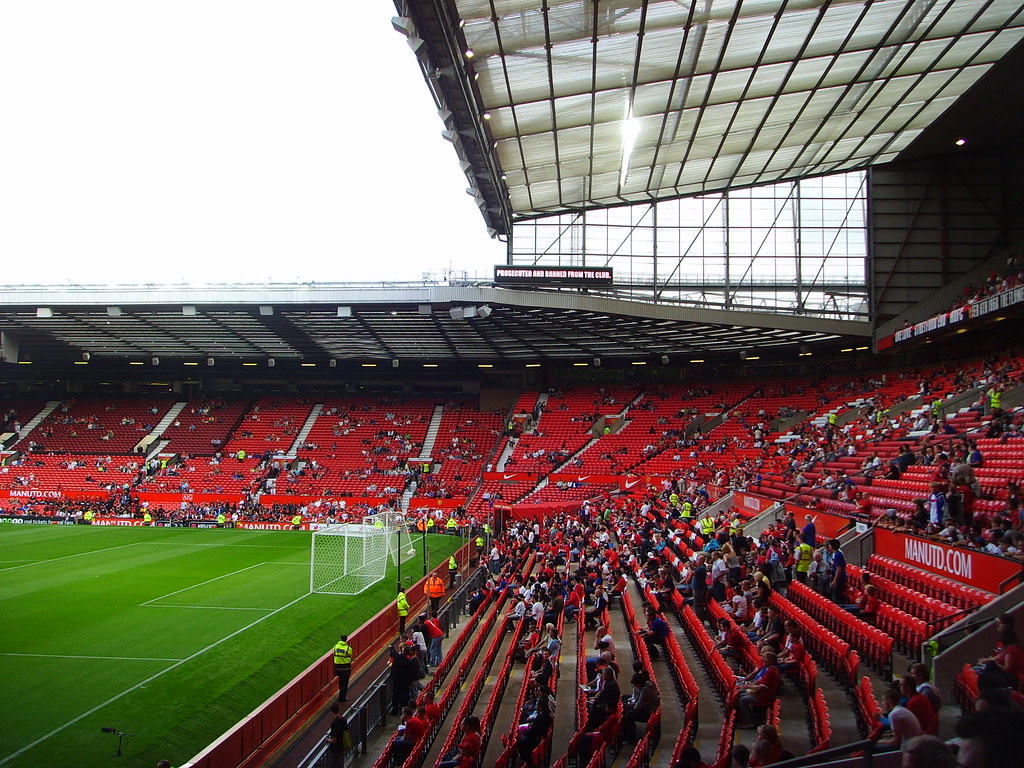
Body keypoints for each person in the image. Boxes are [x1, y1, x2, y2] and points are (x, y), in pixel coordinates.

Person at [736, 649, 781, 728]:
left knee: (742, 700)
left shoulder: (771, 671)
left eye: (765, 661)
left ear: (771, 661)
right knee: (740, 693)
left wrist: (749, 686)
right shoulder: (768, 669)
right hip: (760, 693)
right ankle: (742, 717)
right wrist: (752, 684)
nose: (763, 663)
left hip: (764, 696)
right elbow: (760, 681)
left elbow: (763, 688)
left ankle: (749, 722)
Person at [325, 702, 349, 768]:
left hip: (336, 749)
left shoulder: (334, 723)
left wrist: (327, 739)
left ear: (332, 711)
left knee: (336, 764)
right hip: (342, 746)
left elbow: (334, 740)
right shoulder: (343, 720)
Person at [333, 633, 354, 702]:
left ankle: (340, 694)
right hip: (346, 668)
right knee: (345, 682)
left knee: (341, 681)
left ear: (340, 639)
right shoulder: (348, 648)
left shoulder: (336, 647)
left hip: (337, 667)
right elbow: (351, 656)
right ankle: (342, 697)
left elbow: (334, 653)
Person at [826, 539, 847, 604]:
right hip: (838, 577)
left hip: (839, 579)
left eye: (829, 545)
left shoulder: (837, 555)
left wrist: (835, 581)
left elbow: (839, 569)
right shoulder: (836, 554)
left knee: (837, 596)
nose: (829, 546)